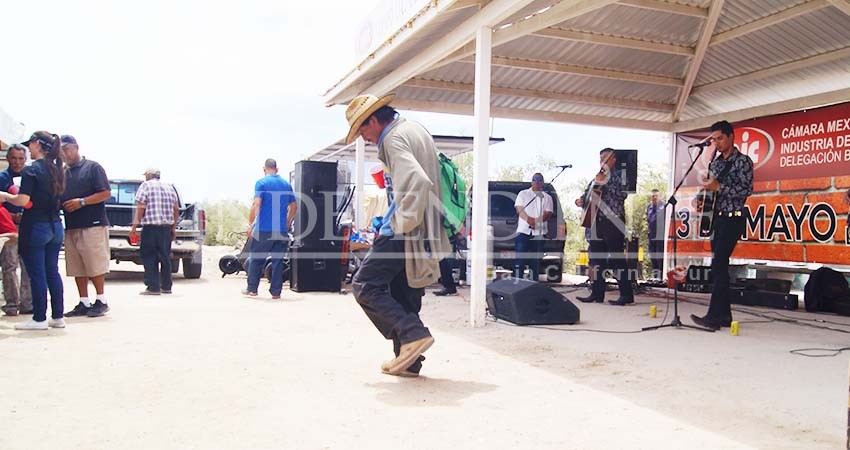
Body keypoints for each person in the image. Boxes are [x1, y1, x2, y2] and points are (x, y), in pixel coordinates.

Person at [345, 93, 449, 378]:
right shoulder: (414, 129)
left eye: (362, 130)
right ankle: (409, 360)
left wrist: (400, 226)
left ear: (374, 120)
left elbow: (416, 180)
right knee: (402, 292)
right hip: (423, 226)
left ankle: (412, 333)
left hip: (405, 228)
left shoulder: (392, 138)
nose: (363, 138)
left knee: (365, 285)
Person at [691, 121, 754, 330]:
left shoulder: (743, 161)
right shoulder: (715, 163)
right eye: (713, 139)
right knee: (719, 265)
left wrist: (721, 187)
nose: (716, 143)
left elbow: (746, 190)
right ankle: (724, 315)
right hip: (716, 217)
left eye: (720, 138)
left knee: (718, 264)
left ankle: (714, 316)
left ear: (731, 137)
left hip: (733, 217)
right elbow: (710, 188)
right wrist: (700, 199)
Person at [0, 131, 66, 330]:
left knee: (37, 273)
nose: (29, 148)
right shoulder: (57, 169)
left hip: (36, 226)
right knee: (52, 272)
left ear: (37, 144)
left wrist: (5, 196)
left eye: (30, 144)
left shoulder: (31, 170)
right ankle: (57, 316)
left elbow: (23, 201)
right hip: (55, 226)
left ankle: (39, 318)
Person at [59, 135, 113, 318]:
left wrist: (82, 202)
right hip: (72, 225)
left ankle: (101, 300)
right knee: (77, 266)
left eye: (67, 149)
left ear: (76, 147)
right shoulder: (63, 173)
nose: (65, 153)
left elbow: (105, 192)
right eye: (61, 150)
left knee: (94, 263)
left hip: (93, 224)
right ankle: (83, 301)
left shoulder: (92, 167)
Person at [575, 148, 634, 305]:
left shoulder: (620, 175)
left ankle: (626, 295)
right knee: (596, 259)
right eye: (600, 158)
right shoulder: (597, 176)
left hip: (613, 221)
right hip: (596, 221)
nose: (602, 161)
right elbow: (587, 194)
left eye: (605, 158)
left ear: (613, 159)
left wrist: (604, 183)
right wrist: (580, 200)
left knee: (617, 258)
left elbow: (622, 194)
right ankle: (597, 293)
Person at [242, 158, 296, 299]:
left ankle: (252, 289)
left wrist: (251, 224)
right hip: (281, 230)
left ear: (264, 169)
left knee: (257, 259)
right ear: (277, 170)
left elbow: (256, 203)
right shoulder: (286, 184)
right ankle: (276, 293)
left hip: (264, 229)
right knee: (278, 261)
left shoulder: (261, 183)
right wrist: (288, 221)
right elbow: (294, 206)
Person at [130, 168, 179, 295]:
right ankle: (167, 286)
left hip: (151, 227)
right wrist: (173, 228)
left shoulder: (145, 186)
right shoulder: (169, 187)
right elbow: (175, 208)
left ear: (149, 175)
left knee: (149, 256)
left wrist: (134, 227)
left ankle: (153, 287)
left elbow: (141, 206)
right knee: (165, 256)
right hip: (165, 228)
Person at [0, 144, 32, 316]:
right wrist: (10, 217)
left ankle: (28, 304)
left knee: (28, 266)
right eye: (13, 158)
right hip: (8, 227)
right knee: (9, 265)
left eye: (21, 158)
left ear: (25, 160)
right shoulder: (2, 178)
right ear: (7, 158)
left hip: (28, 227)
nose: (17, 162)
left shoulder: (30, 176)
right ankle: (12, 304)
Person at [514, 173, 553, 281]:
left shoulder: (547, 197)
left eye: (539, 180)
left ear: (542, 182)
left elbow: (548, 213)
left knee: (535, 261)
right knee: (520, 260)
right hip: (523, 232)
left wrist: (537, 222)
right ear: (531, 181)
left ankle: (533, 284)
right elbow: (519, 209)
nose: (537, 181)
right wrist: (529, 220)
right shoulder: (523, 194)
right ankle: (517, 283)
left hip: (539, 234)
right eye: (534, 179)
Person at [646, 188, 666, 279]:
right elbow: (649, 220)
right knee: (653, 256)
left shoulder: (664, 206)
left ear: (659, 196)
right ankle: (655, 277)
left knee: (659, 257)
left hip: (660, 235)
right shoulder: (649, 207)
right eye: (652, 196)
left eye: (656, 196)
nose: (654, 198)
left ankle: (661, 277)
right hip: (651, 235)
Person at [433, 231, 460, 296]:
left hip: (447, 239)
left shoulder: (446, 222)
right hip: (446, 238)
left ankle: (449, 287)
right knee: (444, 264)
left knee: (444, 264)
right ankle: (449, 287)